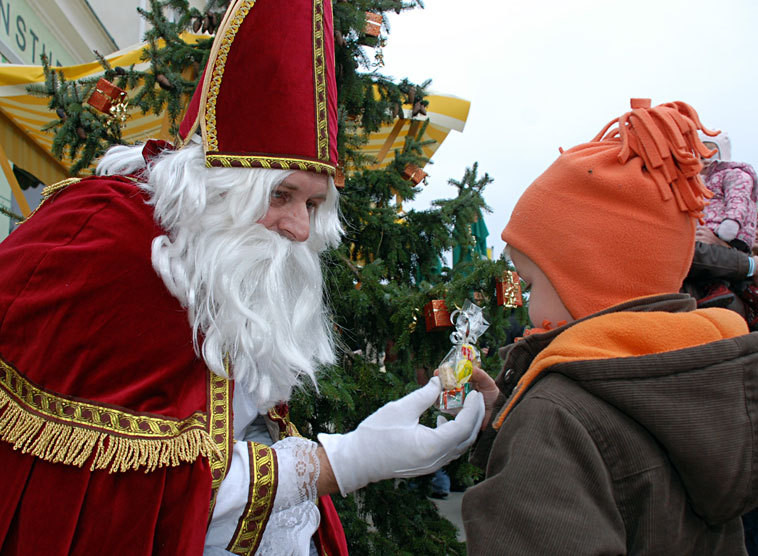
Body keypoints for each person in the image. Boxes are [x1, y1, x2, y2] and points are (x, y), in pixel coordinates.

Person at [0, 1, 484, 554]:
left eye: (314, 203)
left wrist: (361, 444)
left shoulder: (228, 262)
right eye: (281, 194)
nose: (301, 229)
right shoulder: (109, 245)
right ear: (218, 187)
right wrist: (342, 462)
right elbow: (127, 500)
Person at [461, 99, 758, 554]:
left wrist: (533, 419)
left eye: (530, 281)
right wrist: (507, 410)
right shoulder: (703, 378)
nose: (526, 302)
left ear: (585, 277)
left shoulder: (555, 420)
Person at [691, 131, 758, 311]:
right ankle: (727, 287)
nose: (705, 159)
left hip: (728, 232)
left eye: (711, 153)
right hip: (712, 234)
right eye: (699, 154)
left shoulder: (735, 175)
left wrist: (729, 226)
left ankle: (742, 289)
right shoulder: (697, 183)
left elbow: (738, 201)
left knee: (704, 255)